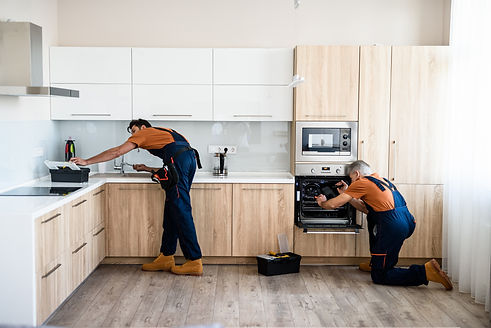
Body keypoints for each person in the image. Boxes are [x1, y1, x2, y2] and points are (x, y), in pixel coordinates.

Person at [70, 119, 203, 276]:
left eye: (134, 131)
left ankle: (194, 260)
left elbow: (117, 152)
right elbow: (175, 163)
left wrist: (87, 161)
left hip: (180, 161)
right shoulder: (165, 133)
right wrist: (147, 168)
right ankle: (166, 257)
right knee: (173, 210)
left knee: (180, 210)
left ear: (143, 127)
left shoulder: (146, 133)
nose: (133, 136)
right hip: (188, 160)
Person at [315, 160, 452, 290]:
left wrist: (322, 203)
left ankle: (425, 272)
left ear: (357, 173)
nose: (352, 182)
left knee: (380, 276)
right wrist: (347, 193)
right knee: (372, 217)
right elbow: (367, 209)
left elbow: (334, 204)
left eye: (351, 178)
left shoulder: (362, 182)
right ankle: (377, 263)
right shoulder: (383, 181)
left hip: (392, 225)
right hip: (406, 221)